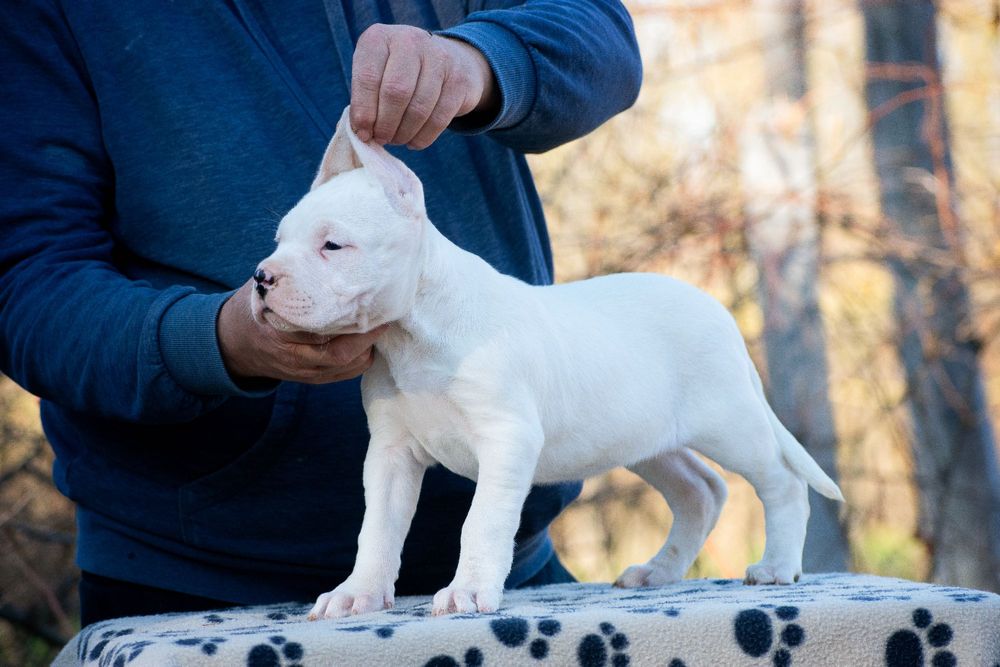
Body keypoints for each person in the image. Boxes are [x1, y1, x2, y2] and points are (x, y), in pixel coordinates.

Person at [0, 1, 642, 626]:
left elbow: (600, 36)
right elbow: (27, 285)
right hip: (193, 592)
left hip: (505, 578)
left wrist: (480, 60)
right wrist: (217, 342)